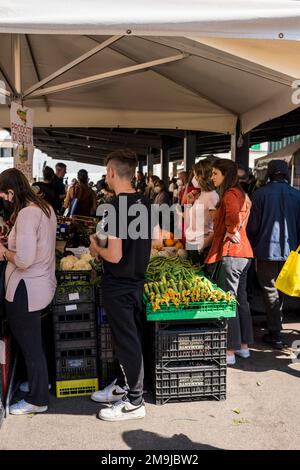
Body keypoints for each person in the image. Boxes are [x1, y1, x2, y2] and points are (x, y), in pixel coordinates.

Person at [89, 149, 151, 421]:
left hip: (119, 283)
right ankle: (125, 387)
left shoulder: (114, 208)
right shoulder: (147, 203)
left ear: (112, 173)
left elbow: (114, 254)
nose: (106, 177)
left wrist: (95, 249)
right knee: (129, 339)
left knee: (126, 342)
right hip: (136, 282)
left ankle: (135, 402)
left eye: (106, 172)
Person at [0, 168, 57, 415]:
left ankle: (37, 399)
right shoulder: (45, 208)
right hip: (42, 284)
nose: (4, 200)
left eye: (4, 195)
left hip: (26, 289)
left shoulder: (26, 214)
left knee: (30, 345)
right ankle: (38, 382)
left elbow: (23, 259)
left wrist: (3, 252)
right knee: (35, 342)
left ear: (11, 192)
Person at [247, 159, 300, 349]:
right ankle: (274, 322)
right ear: (285, 174)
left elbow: (252, 227)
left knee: (269, 289)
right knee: (281, 288)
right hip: (291, 251)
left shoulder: (260, 194)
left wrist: (251, 246)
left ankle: (275, 332)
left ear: (269, 173)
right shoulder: (297, 195)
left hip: (266, 250)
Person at [205, 159, 254, 366]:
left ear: (226, 175)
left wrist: (229, 230)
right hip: (244, 254)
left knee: (229, 301)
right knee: (240, 299)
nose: (211, 177)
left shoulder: (229, 194)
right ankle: (243, 346)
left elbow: (233, 218)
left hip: (232, 254)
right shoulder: (242, 193)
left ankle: (229, 351)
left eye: (215, 173)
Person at [185, 159, 219, 265]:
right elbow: (189, 221)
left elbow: (217, 227)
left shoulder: (212, 196)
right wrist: (189, 203)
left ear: (202, 176)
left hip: (201, 247)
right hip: (192, 244)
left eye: (195, 175)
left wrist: (202, 245)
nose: (193, 179)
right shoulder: (201, 195)